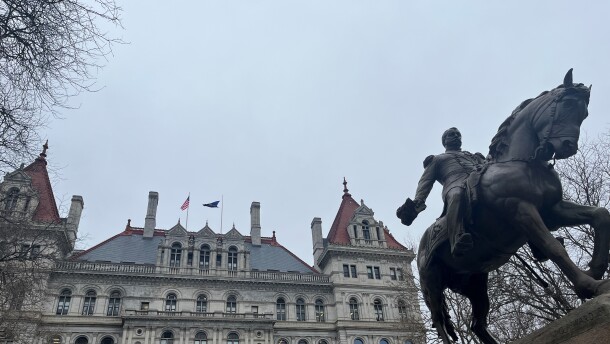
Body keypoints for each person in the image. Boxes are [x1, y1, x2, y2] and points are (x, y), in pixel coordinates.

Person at [403, 127, 484, 256]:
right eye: (452, 134)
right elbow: (425, 182)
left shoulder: (473, 156)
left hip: (478, 181)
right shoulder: (437, 160)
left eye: (458, 134)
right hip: (454, 185)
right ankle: (457, 237)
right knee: (457, 195)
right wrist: (418, 201)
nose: (456, 136)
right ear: (444, 141)